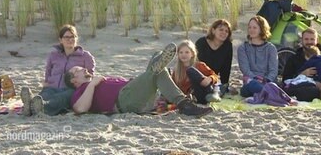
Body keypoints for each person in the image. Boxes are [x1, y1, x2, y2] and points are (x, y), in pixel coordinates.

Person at [65, 43, 212, 117]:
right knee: (159, 68)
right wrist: (92, 84)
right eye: (78, 71)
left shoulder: (96, 80)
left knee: (158, 57)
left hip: (137, 95)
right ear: (73, 81)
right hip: (124, 100)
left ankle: (182, 102)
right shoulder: (80, 92)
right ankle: (184, 104)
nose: (84, 69)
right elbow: (80, 109)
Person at [20, 24, 96, 116]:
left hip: (71, 89)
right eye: (66, 37)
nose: (70, 39)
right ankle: (29, 106)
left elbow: (90, 76)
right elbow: (48, 72)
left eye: (73, 37)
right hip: (52, 87)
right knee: (44, 96)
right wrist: (47, 83)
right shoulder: (53, 55)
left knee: (59, 99)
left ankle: (42, 107)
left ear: (76, 38)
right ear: (60, 40)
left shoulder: (85, 56)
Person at [237, 15, 278, 97]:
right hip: (251, 82)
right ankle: (269, 94)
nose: (251, 30)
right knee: (249, 88)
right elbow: (245, 70)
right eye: (250, 27)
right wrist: (256, 79)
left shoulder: (271, 48)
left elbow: (273, 70)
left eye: (255, 27)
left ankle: (267, 93)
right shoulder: (243, 48)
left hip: (268, 82)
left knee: (268, 86)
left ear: (262, 29)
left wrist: (266, 79)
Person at [171, 40, 221, 104]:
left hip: (205, 91)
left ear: (192, 54)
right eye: (181, 52)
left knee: (190, 70)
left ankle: (212, 96)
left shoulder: (199, 65)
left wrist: (210, 79)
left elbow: (215, 76)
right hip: (194, 97)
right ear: (178, 54)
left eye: (187, 52)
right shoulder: (177, 71)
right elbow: (173, 87)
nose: (184, 55)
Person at [195, 19, 233, 94]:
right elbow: (194, 64)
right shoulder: (201, 43)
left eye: (226, 31)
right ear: (213, 30)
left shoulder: (227, 46)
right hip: (198, 77)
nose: (224, 33)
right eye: (221, 29)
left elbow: (226, 68)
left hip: (212, 79)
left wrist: (225, 85)